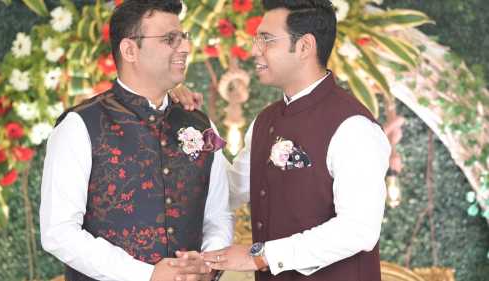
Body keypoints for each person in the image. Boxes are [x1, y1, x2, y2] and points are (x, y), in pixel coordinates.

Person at [172, 0, 391, 280]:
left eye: (266, 40)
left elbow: (359, 230)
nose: (255, 50)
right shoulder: (265, 121)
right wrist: (194, 123)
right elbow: (228, 190)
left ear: (304, 47)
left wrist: (261, 255)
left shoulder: (353, 127)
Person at [39, 1, 233, 281]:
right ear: (130, 50)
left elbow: (219, 213)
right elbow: (58, 232)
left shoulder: (202, 125)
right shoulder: (79, 126)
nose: (185, 48)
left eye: (183, 37)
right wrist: (147, 275)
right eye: (169, 39)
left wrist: (207, 265)